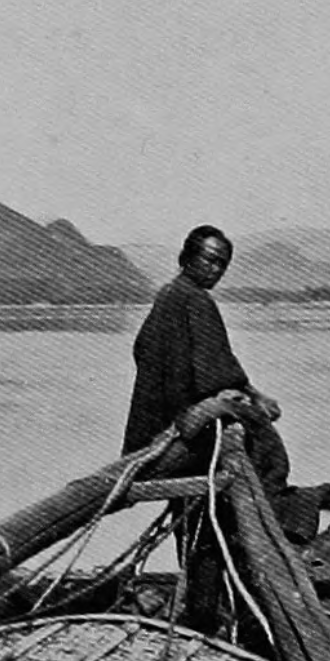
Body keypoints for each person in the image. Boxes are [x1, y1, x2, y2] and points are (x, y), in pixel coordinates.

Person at [122, 225, 292, 635]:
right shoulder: (190, 300)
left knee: (198, 519)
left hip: (173, 426)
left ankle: (208, 607)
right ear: (187, 257)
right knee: (265, 462)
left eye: (222, 263)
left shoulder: (174, 297)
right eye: (208, 259)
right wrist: (213, 403)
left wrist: (250, 392)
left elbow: (212, 364)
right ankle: (223, 606)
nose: (215, 269)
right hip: (182, 430)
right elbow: (209, 371)